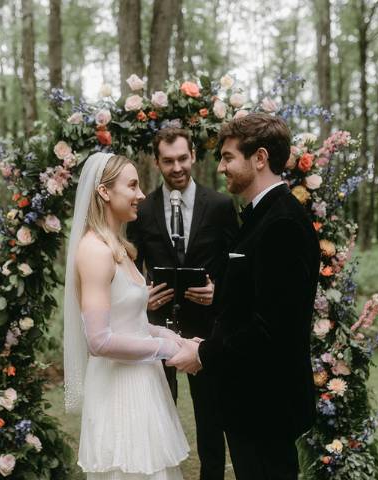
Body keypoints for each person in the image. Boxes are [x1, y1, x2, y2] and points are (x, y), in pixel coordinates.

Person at [168, 113, 320, 480]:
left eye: (228, 157)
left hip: (266, 404)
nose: (221, 167)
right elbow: (247, 305)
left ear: (260, 157)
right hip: (248, 401)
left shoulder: (282, 223)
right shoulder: (258, 217)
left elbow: (271, 328)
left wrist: (204, 353)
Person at [63, 153, 190, 479]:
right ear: (105, 192)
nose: (141, 195)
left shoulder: (117, 247)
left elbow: (128, 322)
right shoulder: (95, 251)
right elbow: (99, 340)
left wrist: (168, 336)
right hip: (119, 392)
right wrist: (164, 350)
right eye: (132, 185)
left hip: (140, 382)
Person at [126, 127, 238, 480]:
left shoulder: (220, 205)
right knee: (157, 411)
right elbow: (129, 262)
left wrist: (219, 288)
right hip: (155, 327)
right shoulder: (141, 210)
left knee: (210, 417)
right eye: (168, 161)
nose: (177, 167)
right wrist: (142, 293)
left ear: (193, 156)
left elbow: (235, 262)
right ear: (156, 162)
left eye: (183, 158)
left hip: (207, 329)